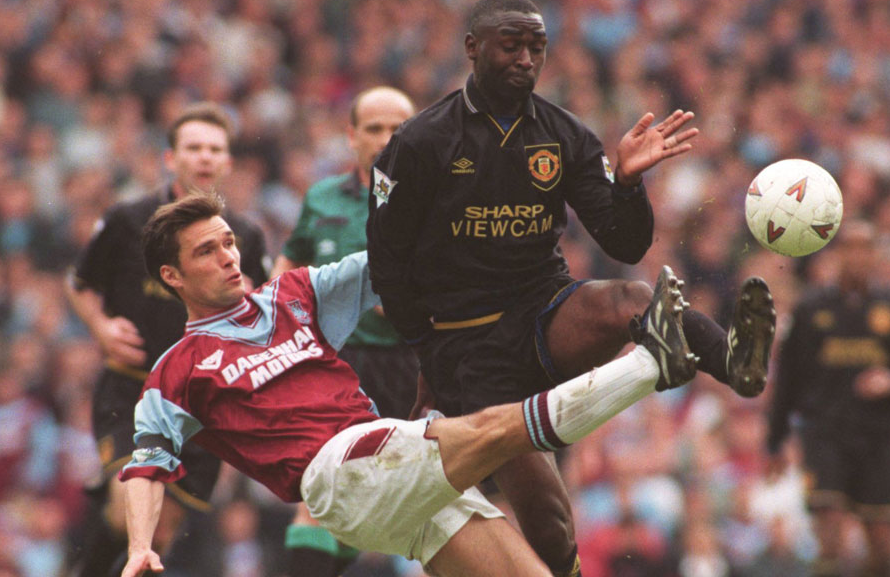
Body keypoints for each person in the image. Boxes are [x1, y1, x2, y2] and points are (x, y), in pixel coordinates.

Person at [365, 0, 777, 576]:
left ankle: (731, 360)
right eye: (512, 45)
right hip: (469, 349)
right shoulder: (421, 142)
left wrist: (629, 184)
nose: (527, 58)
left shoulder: (563, 134)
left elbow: (625, 244)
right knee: (550, 520)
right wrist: (427, 353)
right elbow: (388, 260)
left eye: (537, 46)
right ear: (473, 48)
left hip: (543, 313)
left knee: (631, 298)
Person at [119, 191, 725, 577]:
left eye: (228, 241)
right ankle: (652, 365)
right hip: (338, 474)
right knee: (497, 427)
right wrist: (139, 547)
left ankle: (656, 362)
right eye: (207, 251)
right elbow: (146, 467)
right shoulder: (177, 368)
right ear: (172, 275)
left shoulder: (293, 294)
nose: (228, 255)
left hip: (392, 479)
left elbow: (392, 261)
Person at [64, 103, 268, 576]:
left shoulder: (247, 236)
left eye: (215, 149)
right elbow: (79, 284)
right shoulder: (127, 219)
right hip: (131, 388)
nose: (205, 157)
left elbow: (254, 310)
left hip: (199, 403)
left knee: (162, 529)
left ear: (228, 162)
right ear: (170, 158)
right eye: (193, 147)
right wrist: (100, 327)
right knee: (128, 503)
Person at [271, 86, 418, 574]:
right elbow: (293, 256)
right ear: (351, 135)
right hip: (336, 364)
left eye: (397, 128)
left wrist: (407, 301)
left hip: (412, 368)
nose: (384, 138)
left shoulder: (441, 201)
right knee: (318, 489)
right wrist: (273, 305)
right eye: (373, 128)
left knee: (388, 503)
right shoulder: (323, 196)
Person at [766, 220, 890, 577]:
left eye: (866, 248)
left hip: (877, 437)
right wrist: (775, 440)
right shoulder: (811, 310)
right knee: (830, 531)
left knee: (882, 545)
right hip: (825, 434)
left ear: (875, 256)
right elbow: (788, 381)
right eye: (851, 248)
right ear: (838, 255)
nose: (858, 257)